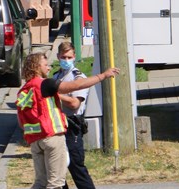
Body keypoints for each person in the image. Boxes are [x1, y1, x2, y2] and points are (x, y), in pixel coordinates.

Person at [17, 52, 119, 189]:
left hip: (35, 141)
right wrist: (102, 76)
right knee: (55, 183)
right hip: (52, 137)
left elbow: (20, 121)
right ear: (36, 66)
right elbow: (77, 85)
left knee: (41, 182)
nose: (48, 68)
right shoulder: (45, 84)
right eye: (45, 65)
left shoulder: (24, 90)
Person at [53, 41, 95, 189]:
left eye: (69, 57)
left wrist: (56, 95)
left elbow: (74, 104)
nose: (66, 60)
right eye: (63, 57)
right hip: (57, 125)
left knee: (77, 167)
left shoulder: (78, 77)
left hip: (72, 126)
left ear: (74, 56)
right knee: (58, 168)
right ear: (58, 56)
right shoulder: (56, 76)